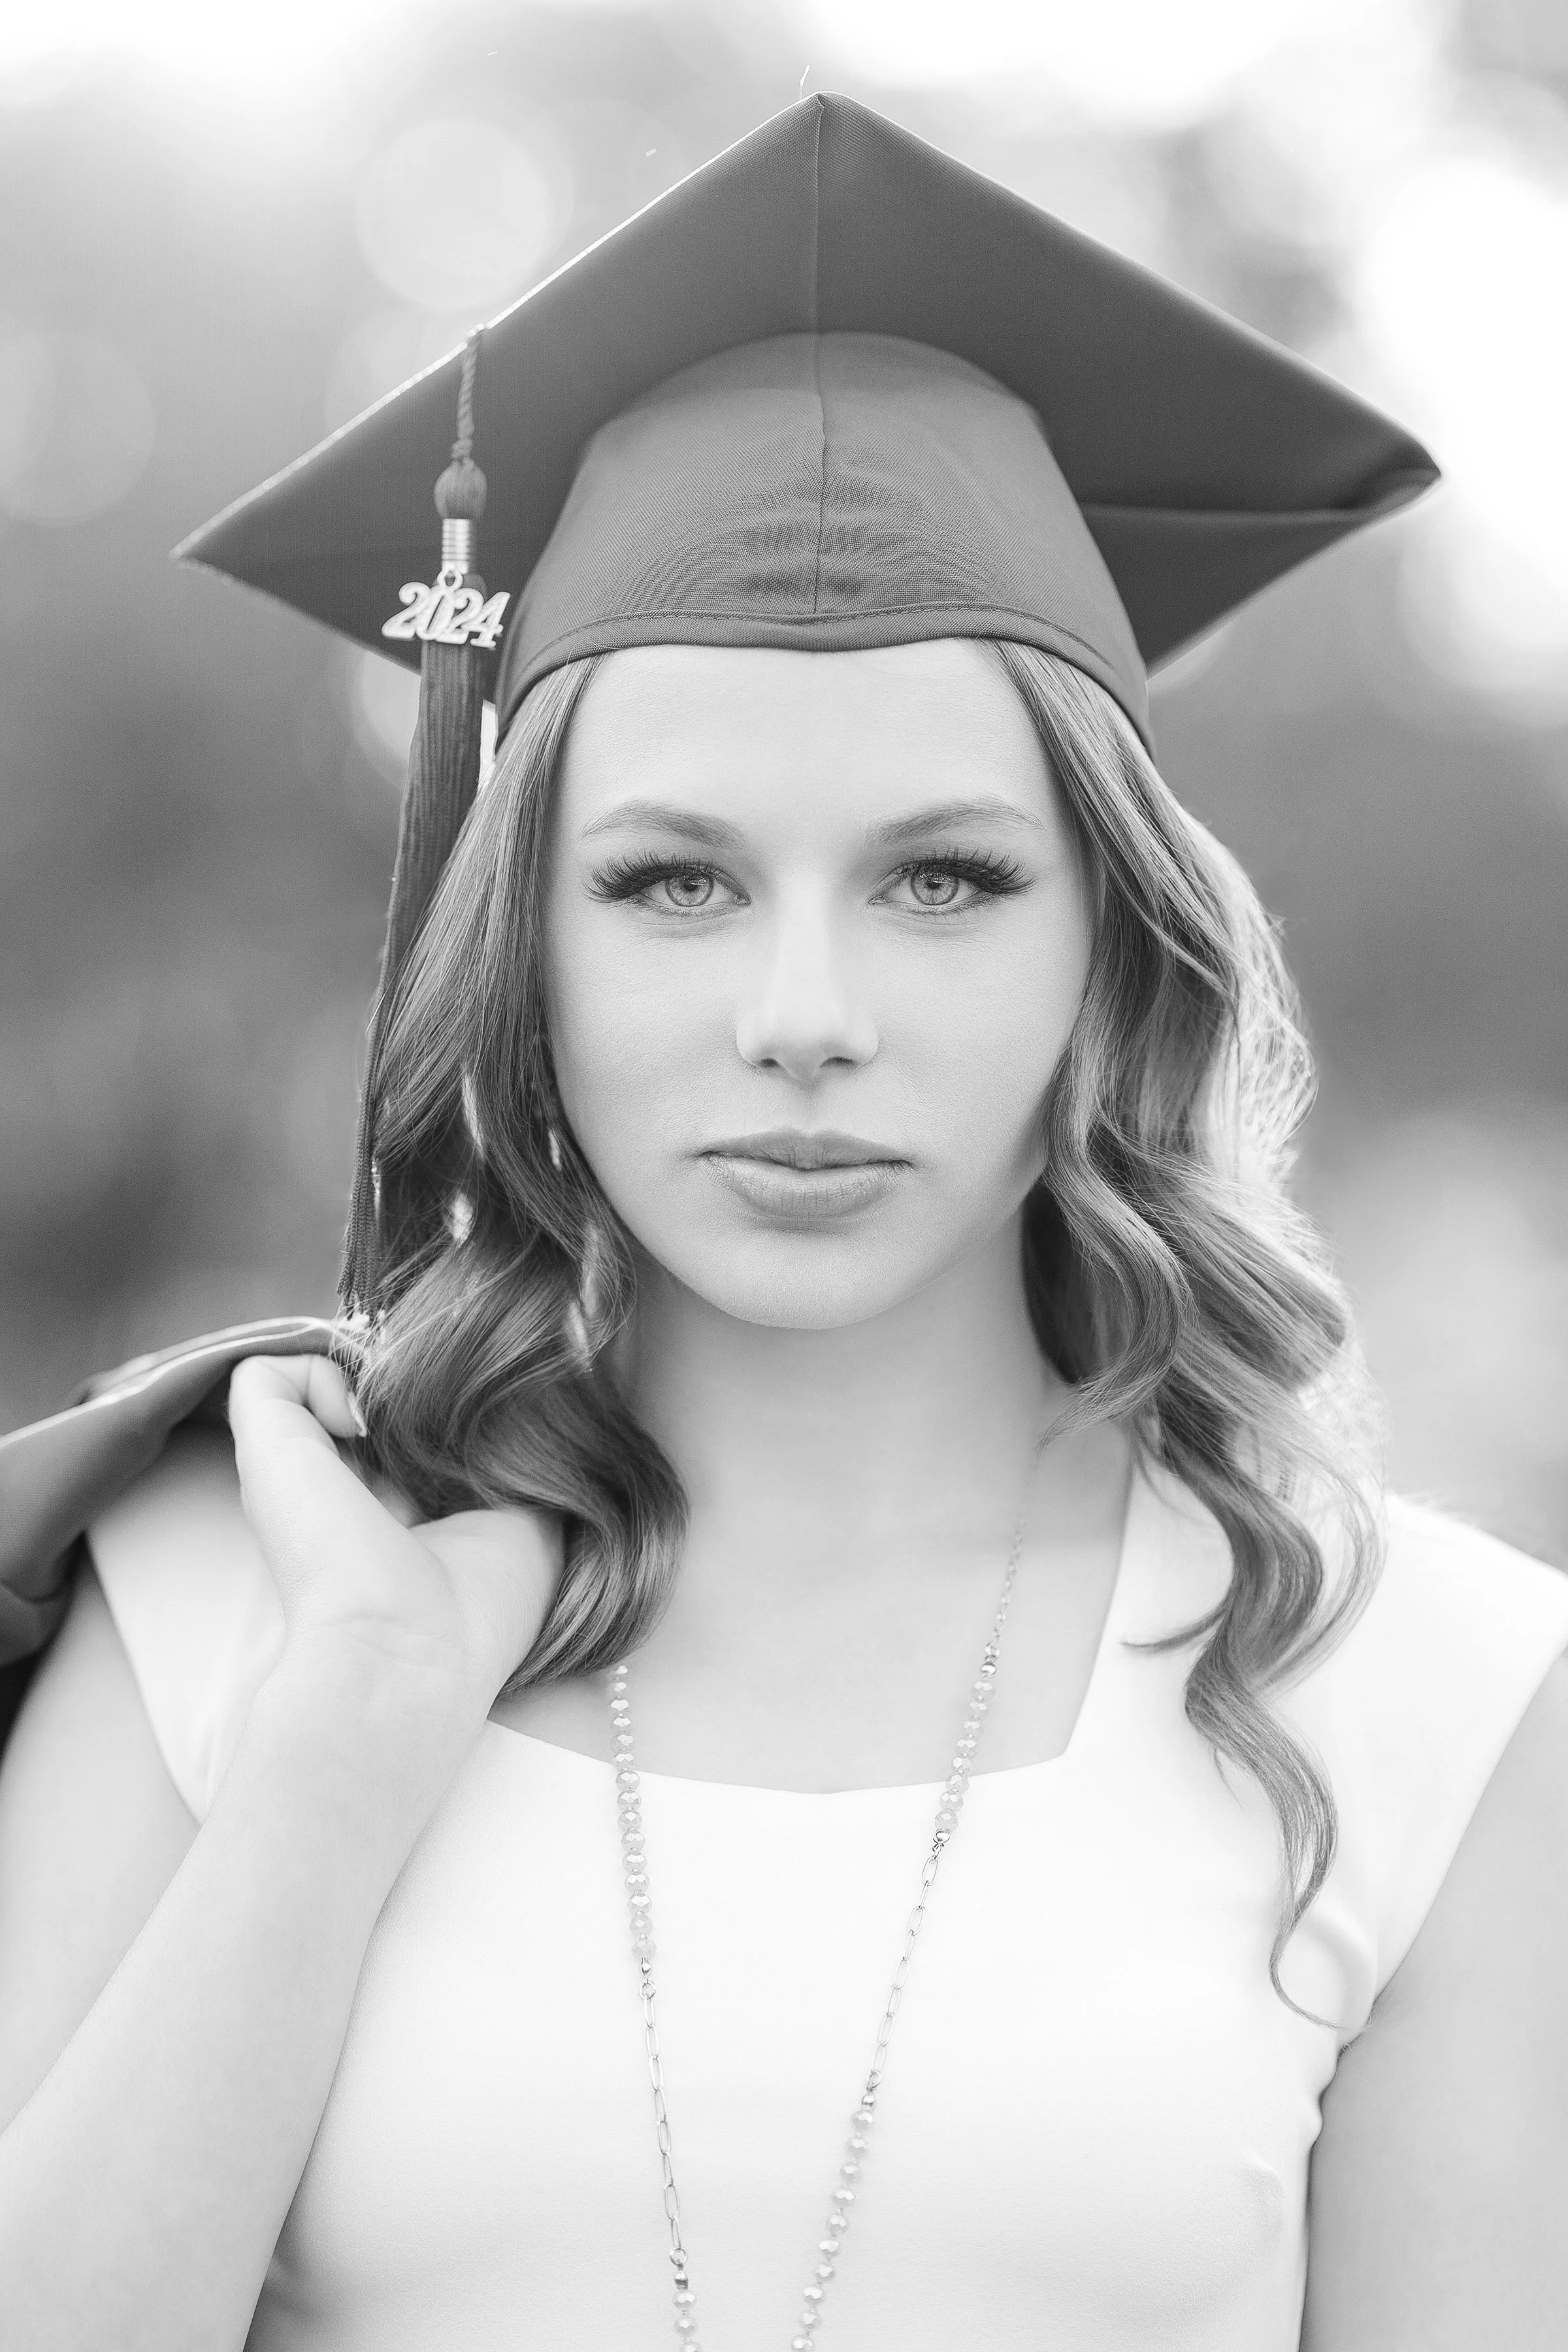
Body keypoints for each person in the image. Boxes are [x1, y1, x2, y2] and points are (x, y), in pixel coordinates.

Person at [0, 91, 1564, 2352]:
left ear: (1112, 946)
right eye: (671, 882)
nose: (802, 1018)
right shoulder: (215, 1606)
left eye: (942, 879)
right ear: (518, 945)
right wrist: (336, 1767)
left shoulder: (1416, 1699)